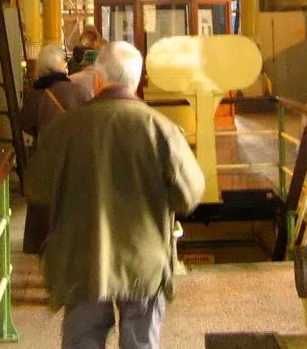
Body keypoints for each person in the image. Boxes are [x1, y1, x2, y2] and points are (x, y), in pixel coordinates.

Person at [26, 41, 205, 349]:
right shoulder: (160, 128)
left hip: (83, 259)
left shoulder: (63, 130)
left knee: (82, 341)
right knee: (141, 342)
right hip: (144, 260)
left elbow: (37, 189)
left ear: (97, 79)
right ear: (136, 81)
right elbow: (190, 194)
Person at [20, 45, 91, 255]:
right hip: (74, 156)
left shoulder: (34, 94)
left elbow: (25, 124)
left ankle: (42, 246)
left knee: (43, 203)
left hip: (44, 155)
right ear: (60, 64)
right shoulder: (77, 90)